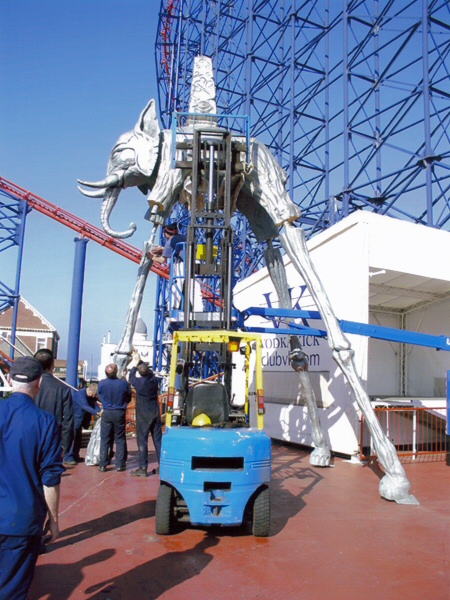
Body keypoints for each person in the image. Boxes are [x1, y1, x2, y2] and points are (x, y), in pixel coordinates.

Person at [0, 356, 64, 600]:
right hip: (21, 521)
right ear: (39, 383)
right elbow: (50, 478)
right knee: (12, 589)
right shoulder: (45, 422)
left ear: (8, 379)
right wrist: (54, 519)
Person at [33, 348, 74, 466]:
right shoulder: (63, 388)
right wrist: (65, 447)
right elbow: (68, 420)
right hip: (52, 440)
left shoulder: (28, 385)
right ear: (53, 366)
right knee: (50, 479)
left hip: (28, 438)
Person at [128, 353, 162, 477]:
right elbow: (148, 372)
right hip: (155, 413)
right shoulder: (153, 380)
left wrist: (135, 365)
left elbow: (131, 377)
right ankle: (161, 465)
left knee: (142, 441)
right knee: (157, 441)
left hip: (144, 416)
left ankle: (143, 468)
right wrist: (140, 362)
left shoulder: (139, 384)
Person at [97, 363, 132, 472]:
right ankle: (120, 464)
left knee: (105, 439)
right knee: (120, 438)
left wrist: (106, 403)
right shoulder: (123, 384)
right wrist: (122, 403)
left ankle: (103, 464)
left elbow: (99, 396)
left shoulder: (102, 383)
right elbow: (129, 396)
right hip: (119, 412)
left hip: (107, 411)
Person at [150, 222, 187, 310]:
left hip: (182, 264)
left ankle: (173, 307)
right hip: (195, 262)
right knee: (194, 288)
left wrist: (150, 256)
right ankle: (199, 308)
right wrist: (163, 249)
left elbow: (162, 260)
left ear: (166, 233)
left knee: (177, 285)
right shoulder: (184, 237)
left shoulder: (170, 241)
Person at [64, 382, 101, 464]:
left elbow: (94, 405)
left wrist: (100, 411)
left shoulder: (91, 397)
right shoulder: (79, 395)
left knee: (78, 438)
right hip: (75, 419)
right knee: (73, 438)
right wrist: (97, 413)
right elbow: (85, 406)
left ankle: (75, 455)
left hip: (81, 420)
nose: (94, 397)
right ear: (90, 391)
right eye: (94, 395)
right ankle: (68, 457)